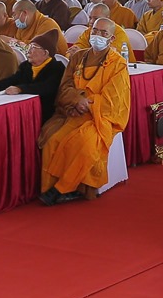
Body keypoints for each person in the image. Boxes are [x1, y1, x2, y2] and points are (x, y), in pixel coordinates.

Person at [38, 33, 132, 205]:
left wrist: (89, 104)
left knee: (85, 143)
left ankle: (65, 188)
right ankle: (49, 187)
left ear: (111, 39)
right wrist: (77, 100)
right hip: (73, 111)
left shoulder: (118, 63)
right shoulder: (79, 57)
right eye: (95, 31)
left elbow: (115, 98)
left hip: (100, 117)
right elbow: (65, 85)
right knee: (52, 139)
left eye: (104, 33)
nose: (98, 36)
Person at [0, 36, 67, 123]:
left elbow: (46, 87)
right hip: (24, 109)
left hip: (46, 111)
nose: (29, 50)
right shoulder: (26, 66)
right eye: (29, 46)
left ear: (45, 53)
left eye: (33, 47)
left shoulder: (57, 67)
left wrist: (20, 89)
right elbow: (12, 80)